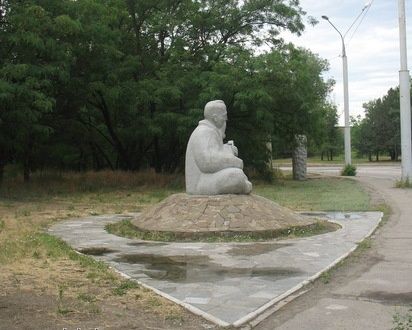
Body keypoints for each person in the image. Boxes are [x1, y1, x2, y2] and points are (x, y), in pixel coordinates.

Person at [185, 100, 253, 195]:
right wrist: (236, 162)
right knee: (235, 176)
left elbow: (213, 153)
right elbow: (207, 162)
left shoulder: (209, 131)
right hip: (200, 183)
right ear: (215, 118)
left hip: (206, 178)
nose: (226, 120)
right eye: (224, 117)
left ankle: (243, 184)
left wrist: (227, 149)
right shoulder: (204, 132)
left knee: (237, 174)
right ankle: (243, 185)